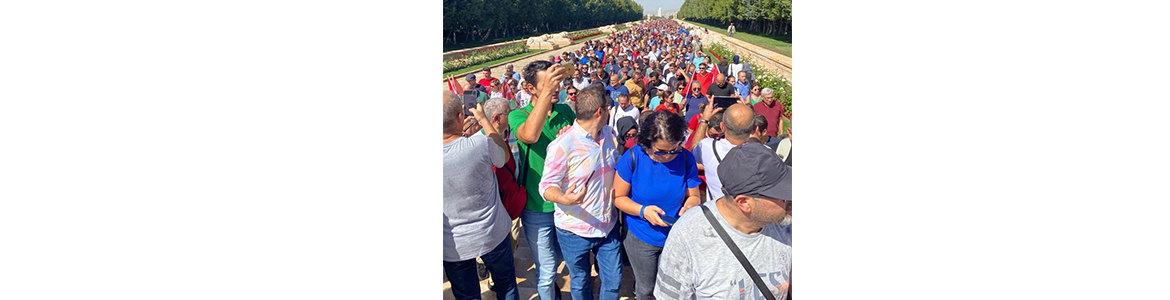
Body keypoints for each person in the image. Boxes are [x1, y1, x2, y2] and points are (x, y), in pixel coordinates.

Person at [654, 142, 792, 300]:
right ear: (744, 202)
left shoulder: (786, 225)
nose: (789, 199)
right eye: (780, 194)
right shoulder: (689, 236)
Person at [538, 84, 623, 300]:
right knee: (580, 281)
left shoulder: (608, 134)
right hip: (574, 230)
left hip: (608, 226)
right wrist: (564, 198)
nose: (610, 111)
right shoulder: (563, 145)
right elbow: (546, 186)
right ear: (599, 112)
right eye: (608, 107)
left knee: (613, 281)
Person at [612, 111, 702, 300]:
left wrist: (689, 207)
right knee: (646, 288)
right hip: (641, 236)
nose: (668, 156)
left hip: (675, 237)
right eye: (660, 151)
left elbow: (693, 196)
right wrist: (643, 211)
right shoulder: (632, 157)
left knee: (670, 290)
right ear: (647, 142)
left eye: (674, 150)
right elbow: (618, 197)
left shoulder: (686, 158)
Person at [507, 61, 576, 300]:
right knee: (546, 271)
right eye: (548, 83)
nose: (557, 88)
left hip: (567, 203)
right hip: (538, 207)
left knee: (563, 257)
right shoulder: (518, 115)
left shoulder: (565, 111)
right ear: (529, 88)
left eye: (557, 82)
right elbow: (529, 135)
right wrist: (546, 92)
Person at [442, 91, 520, 300]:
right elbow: (503, 157)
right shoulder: (478, 143)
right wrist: (483, 120)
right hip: (491, 233)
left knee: (467, 296)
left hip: (452, 245)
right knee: (506, 286)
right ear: (460, 117)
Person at [692, 104, 755, 202]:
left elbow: (694, 147)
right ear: (754, 129)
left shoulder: (708, 147)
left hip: (717, 212)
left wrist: (704, 119)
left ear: (722, 126)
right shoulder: (766, 153)